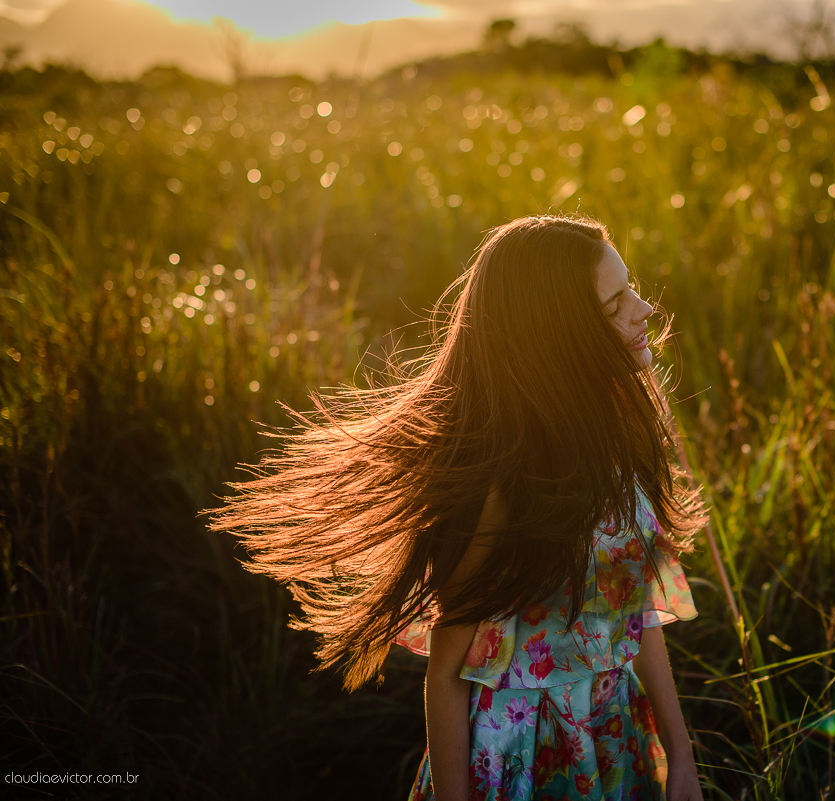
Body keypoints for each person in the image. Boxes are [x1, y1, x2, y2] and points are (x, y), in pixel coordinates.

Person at [207, 214, 708, 800]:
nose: (643, 310)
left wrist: (681, 754)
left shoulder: (618, 443)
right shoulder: (504, 487)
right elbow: (446, 674)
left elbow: (634, 617)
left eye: (632, 288)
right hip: (521, 757)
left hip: (616, 738)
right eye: (615, 302)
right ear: (559, 334)